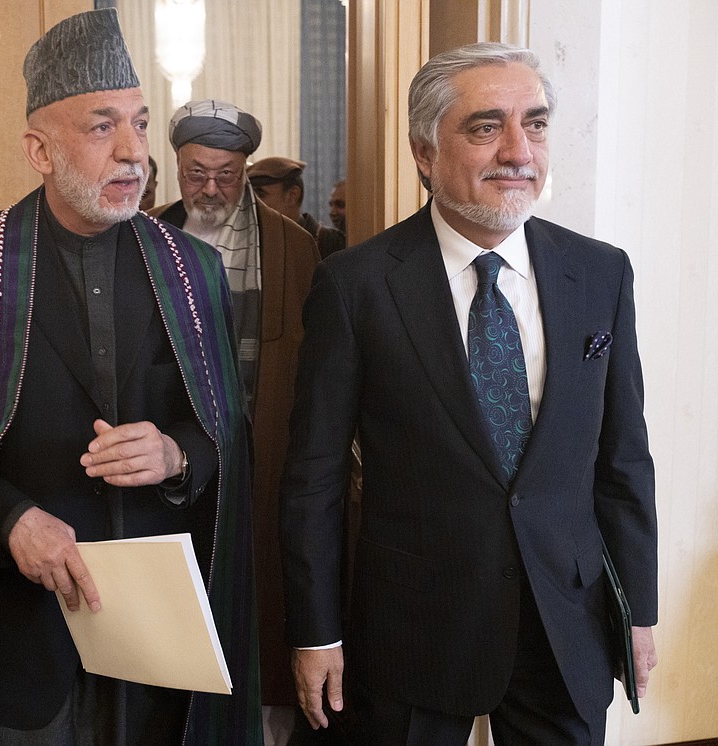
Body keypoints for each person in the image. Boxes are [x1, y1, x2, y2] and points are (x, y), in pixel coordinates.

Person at [0, 10, 261, 745]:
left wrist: (176, 456)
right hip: (19, 649)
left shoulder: (192, 272)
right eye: (102, 126)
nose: (133, 153)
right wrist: (10, 520)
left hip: (160, 655)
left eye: (140, 124)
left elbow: (226, 433)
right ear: (39, 150)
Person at [280, 42, 658, 744]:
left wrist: (637, 612)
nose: (519, 150)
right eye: (486, 127)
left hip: (565, 627)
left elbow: (624, 460)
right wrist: (316, 632)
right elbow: (314, 480)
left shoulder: (600, 274)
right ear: (425, 153)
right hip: (414, 634)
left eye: (536, 124)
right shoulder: (356, 286)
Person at [150, 100, 320, 741]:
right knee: (172, 644)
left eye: (226, 174)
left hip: (264, 473)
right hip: (166, 481)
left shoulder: (294, 249)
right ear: (176, 167)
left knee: (262, 636)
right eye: (197, 174)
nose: (212, 189)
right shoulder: (145, 240)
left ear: (245, 168)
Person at [247, 156, 346, 258]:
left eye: (260, 194)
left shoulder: (330, 242)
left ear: (292, 195)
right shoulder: (254, 241)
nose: (253, 203)